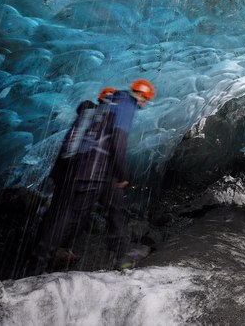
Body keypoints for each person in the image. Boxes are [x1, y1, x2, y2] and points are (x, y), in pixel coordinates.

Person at [29, 79, 156, 273]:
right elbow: (118, 141)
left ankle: (42, 259)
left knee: (66, 214)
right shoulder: (124, 106)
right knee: (74, 215)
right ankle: (43, 262)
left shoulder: (97, 111)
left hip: (78, 169)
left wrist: (60, 174)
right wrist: (122, 174)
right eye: (145, 100)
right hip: (95, 171)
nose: (144, 104)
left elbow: (72, 143)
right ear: (141, 96)